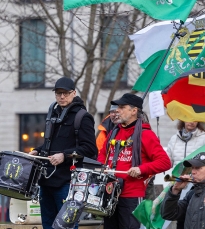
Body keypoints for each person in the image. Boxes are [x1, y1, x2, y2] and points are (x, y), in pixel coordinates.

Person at [29, 77, 97, 229]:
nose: (62, 97)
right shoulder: (52, 114)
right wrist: (37, 151)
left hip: (68, 183)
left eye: (65, 93)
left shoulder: (82, 117)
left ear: (74, 93)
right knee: (48, 225)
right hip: (46, 181)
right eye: (58, 93)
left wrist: (64, 156)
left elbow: (90, 149)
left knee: (66, 226)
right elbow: (50, 144)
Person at [97, 93, 171, 229]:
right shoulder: (114, 132)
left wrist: (141, 169)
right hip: (110, 193)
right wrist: (102, 166)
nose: (117, 110)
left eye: (122, 107)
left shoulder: (146, 134)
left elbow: (165, 162)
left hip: (131, 195)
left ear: (134, 111)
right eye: (117, 107)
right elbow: (103, 154)